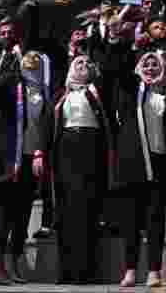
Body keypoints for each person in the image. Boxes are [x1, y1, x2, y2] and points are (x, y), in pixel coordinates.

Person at [112, 49, 166, 288]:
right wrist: (119, 40)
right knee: (131, 221)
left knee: (155, 220)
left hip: (158, 164)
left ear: (163, 69)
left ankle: (154, 270)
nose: (150, 68)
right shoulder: (131, 91)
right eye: (145, 64)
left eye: (155, 65)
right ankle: (131, 269)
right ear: (138, 69)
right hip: (133, 164)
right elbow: (119, 68)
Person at [0, 46, 54, 285]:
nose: (32, 65)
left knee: (22, 213)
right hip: (10, 157)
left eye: (37, 62)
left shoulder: (44, 91)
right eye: (28, 62)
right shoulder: (11, 83)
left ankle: (13, 261)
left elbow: (45, 125)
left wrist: (40, 151)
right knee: (4, 210)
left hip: (31, 158)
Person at [52, 55, 116, 285]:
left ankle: (86, 272)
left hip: (92, 148)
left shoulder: (98, 91)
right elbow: (48, 124)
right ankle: (67, 271)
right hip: (66, 149)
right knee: (67, 210)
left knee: (89, 208)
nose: (84, 66)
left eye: (88, 63)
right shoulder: (62, 94)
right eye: (79, 62)